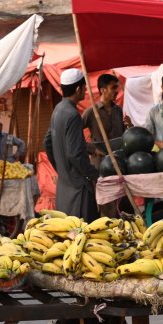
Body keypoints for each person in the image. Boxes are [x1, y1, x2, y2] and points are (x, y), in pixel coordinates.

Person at [44, 68, 100, 221]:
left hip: (64, 187)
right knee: (85, 236)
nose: (85, 91)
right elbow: (74, 154)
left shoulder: (58, 109)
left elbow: (48, 142)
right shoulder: (73, 115)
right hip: (78, 189)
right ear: (78, 89)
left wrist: (61, 169)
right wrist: (93, 173)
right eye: (84, 88)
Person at [82, 73, 131, 146]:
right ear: (102, 90)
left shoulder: (118, 110)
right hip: (101, 156)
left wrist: (129, 126)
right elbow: (74, 133)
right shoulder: (91, 111)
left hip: (119, 155)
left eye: (117, 87)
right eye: (113, 88)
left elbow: (125, 135)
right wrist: (90, 148)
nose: (117, 91)